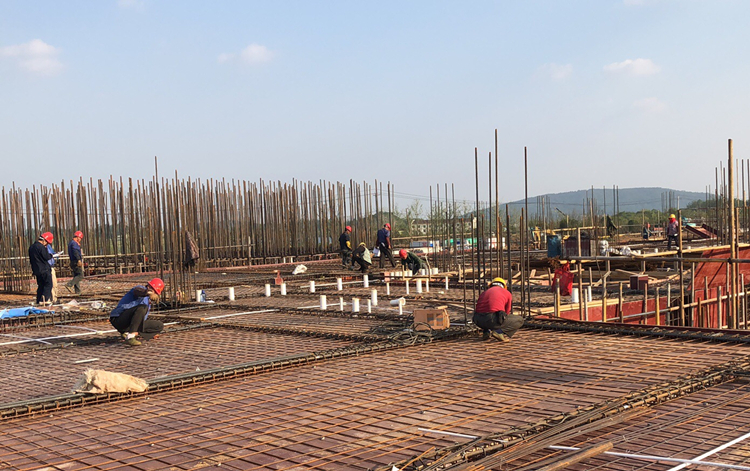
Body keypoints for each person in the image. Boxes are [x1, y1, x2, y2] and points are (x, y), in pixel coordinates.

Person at [109, 278, 165, 346]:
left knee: (159, 325)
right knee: (142, 308)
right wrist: (147, 293)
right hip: (119, 319)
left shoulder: (148, 302)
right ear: (149, 286)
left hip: (130, 324)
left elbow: (140, 320)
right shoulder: (140, 289)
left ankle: (130, 333)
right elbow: (137, 291)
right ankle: (131, 336)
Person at [473, 277, 524, 342]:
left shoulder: (484, 292)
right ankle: (498, 332)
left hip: (477, 320)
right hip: (492, 319)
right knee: (519, 320)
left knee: (489, 314)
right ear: (504, 286)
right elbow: (507, 312)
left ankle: (486, 332)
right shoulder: (506, 292)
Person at [28, 232, 55, 304]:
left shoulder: (32, 247)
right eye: (47, 243)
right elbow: (46, 257)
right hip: (44, 269)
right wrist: (51, 255)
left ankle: (39, 301)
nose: (47, 245)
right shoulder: (41, 247)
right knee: (48, 285)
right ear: (44, 241)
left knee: (41, 286)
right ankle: (44, 300)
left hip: (37, 270)